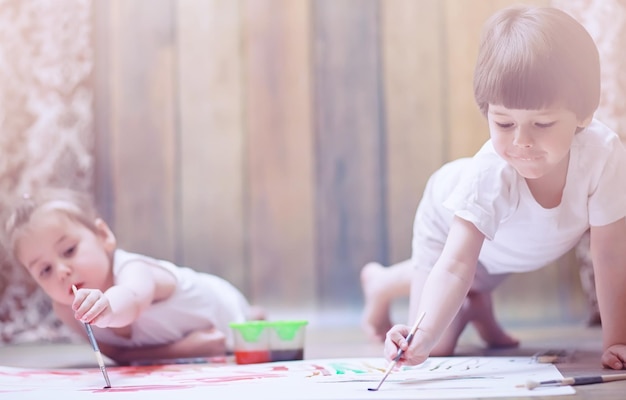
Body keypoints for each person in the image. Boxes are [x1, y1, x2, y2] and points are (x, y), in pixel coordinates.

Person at [379, 5, 626, 371]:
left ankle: (475, 303)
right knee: (436, 347)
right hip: (446, 221)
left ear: (584, 115)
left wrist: (617, 341)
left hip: (514, 247)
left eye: (542, 124)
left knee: (475, 277)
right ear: (487, 112)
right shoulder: (490, 175)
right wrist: (424, 336)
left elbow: (610, 256)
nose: (522, 141)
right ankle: (381, 283)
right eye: (504, 123)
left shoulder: (604, 156)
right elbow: (454, 265)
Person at [1, 187, 265, 365]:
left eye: (69, 250)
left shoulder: (134, 270)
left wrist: (107, 308)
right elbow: (118, 354)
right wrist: (183, 350)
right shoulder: (66, 310)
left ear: (103, 236)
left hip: (220, 303)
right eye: (45, 270)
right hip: (188, 337)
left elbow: (131, 300)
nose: (61, 271)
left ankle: (254, 314)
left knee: (248, 325)